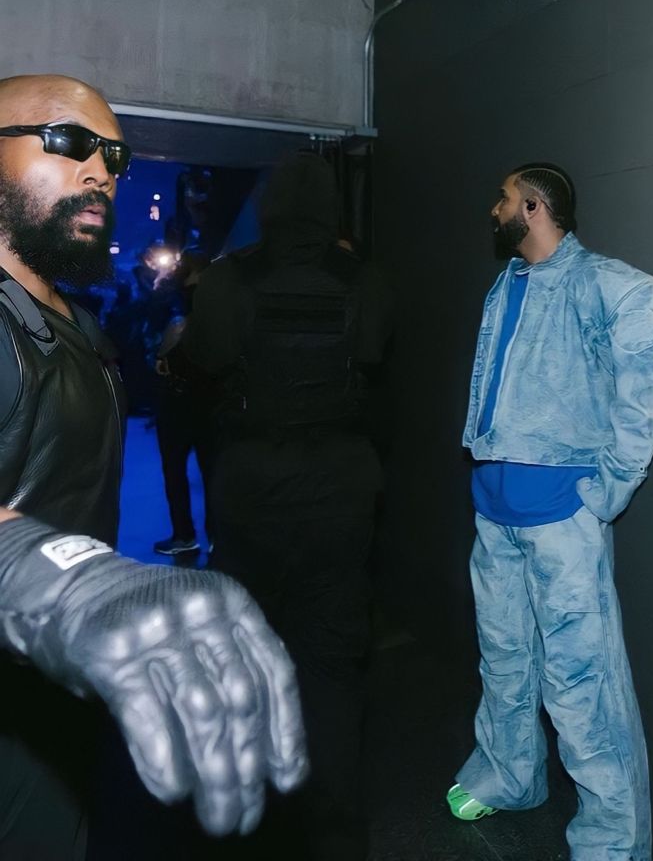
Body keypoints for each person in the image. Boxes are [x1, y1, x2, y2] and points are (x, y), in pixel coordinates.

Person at [0, 74, 306, 861]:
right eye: (68, 140)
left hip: (55, 698)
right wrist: (58, 576)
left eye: (114, 154)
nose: (100, 168)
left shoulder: (74, 317)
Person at [447, 163, 653, 861]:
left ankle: (613, 838)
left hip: (562, 520)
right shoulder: (504, 284)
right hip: (495, 512)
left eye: (506, 199)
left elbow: (646, 393)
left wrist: (609, 490)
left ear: (535, 206)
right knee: (506, 662)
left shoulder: (615, 286)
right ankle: (510, 776)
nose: (495, 210)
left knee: (582, 681)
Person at [171, 152, 393, 861]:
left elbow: (203, 362)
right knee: (330, 665)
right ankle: (337, 837)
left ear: (270, 207)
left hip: (253, 492)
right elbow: (376, 354)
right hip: (340, 490)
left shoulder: (232, 277)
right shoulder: (366, 278)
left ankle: (253, 827)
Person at [152, 249, 213, 556]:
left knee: (175, 470)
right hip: (211, 395)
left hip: (177, 396)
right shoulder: (219, 298)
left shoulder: (178, 299)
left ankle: (184, 535)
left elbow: (167, 340)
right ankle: (217, 535)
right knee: (212, 468)